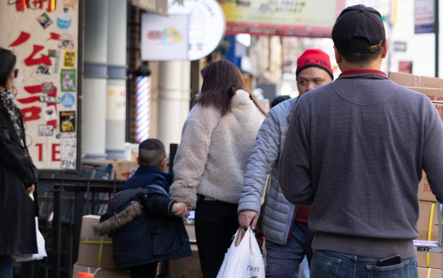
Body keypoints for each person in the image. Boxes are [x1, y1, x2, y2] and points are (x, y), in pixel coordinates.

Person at [279, 4, 443, 277]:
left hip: (330, 257)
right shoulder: (419, 107)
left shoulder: (309, 106)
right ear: (385, 49)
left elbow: (295, 189)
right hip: (395, 259)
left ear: (337, 53)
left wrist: (333, 197)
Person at [237, 49, 335, 278]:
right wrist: (249, 204)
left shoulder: (341, 113)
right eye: (303, 81)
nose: (309, 87)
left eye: (317, 81)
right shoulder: (280, 115)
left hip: (328, 227)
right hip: (284, 226)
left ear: (331, 80)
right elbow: (259, 161)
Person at [170, 59, 266, 278]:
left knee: (215, 271)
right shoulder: (256, 112)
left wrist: (182, 197)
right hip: (250, 208)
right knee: (243, 270)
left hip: (213, 207)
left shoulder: (206, 109)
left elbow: (191, 157)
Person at [94, 139, 192, 278]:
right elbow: (154, 201)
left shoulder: (131, 182)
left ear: (138, 160)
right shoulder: (158, 181)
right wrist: (174, 207)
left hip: (129, 244)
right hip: (149, 246)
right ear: (164, 162)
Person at [0, 48, 39, 278]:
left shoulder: (4, 101)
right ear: (3, 72)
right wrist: (28, 175)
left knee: (4, 250)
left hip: (9, 181)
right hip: (2, 183)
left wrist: (29, 174)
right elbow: (6, 144)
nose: (14, 76)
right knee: (0, 249)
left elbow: (15, 143)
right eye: (14, 71)